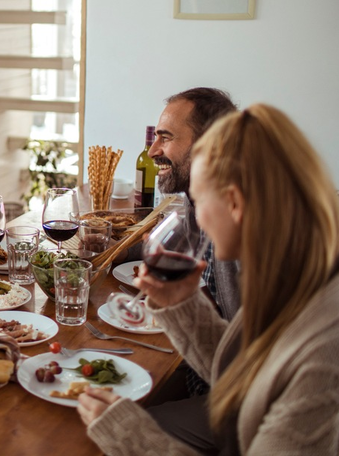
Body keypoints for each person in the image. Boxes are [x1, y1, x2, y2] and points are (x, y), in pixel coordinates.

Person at [79, 104, 339, 455]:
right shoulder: (295, 275)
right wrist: (182, 306)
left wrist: (131, 436)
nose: (193, 217)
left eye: (198, 200)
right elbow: (244, 377)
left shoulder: (324, 350)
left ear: (233, 203)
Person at [148, 88, 240, 321]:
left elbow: (247, 344)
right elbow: (175, 244)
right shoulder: (200, 195)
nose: (152, 151)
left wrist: (185, 304)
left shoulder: (242, 218)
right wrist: (118, 252)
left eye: (166, 137)